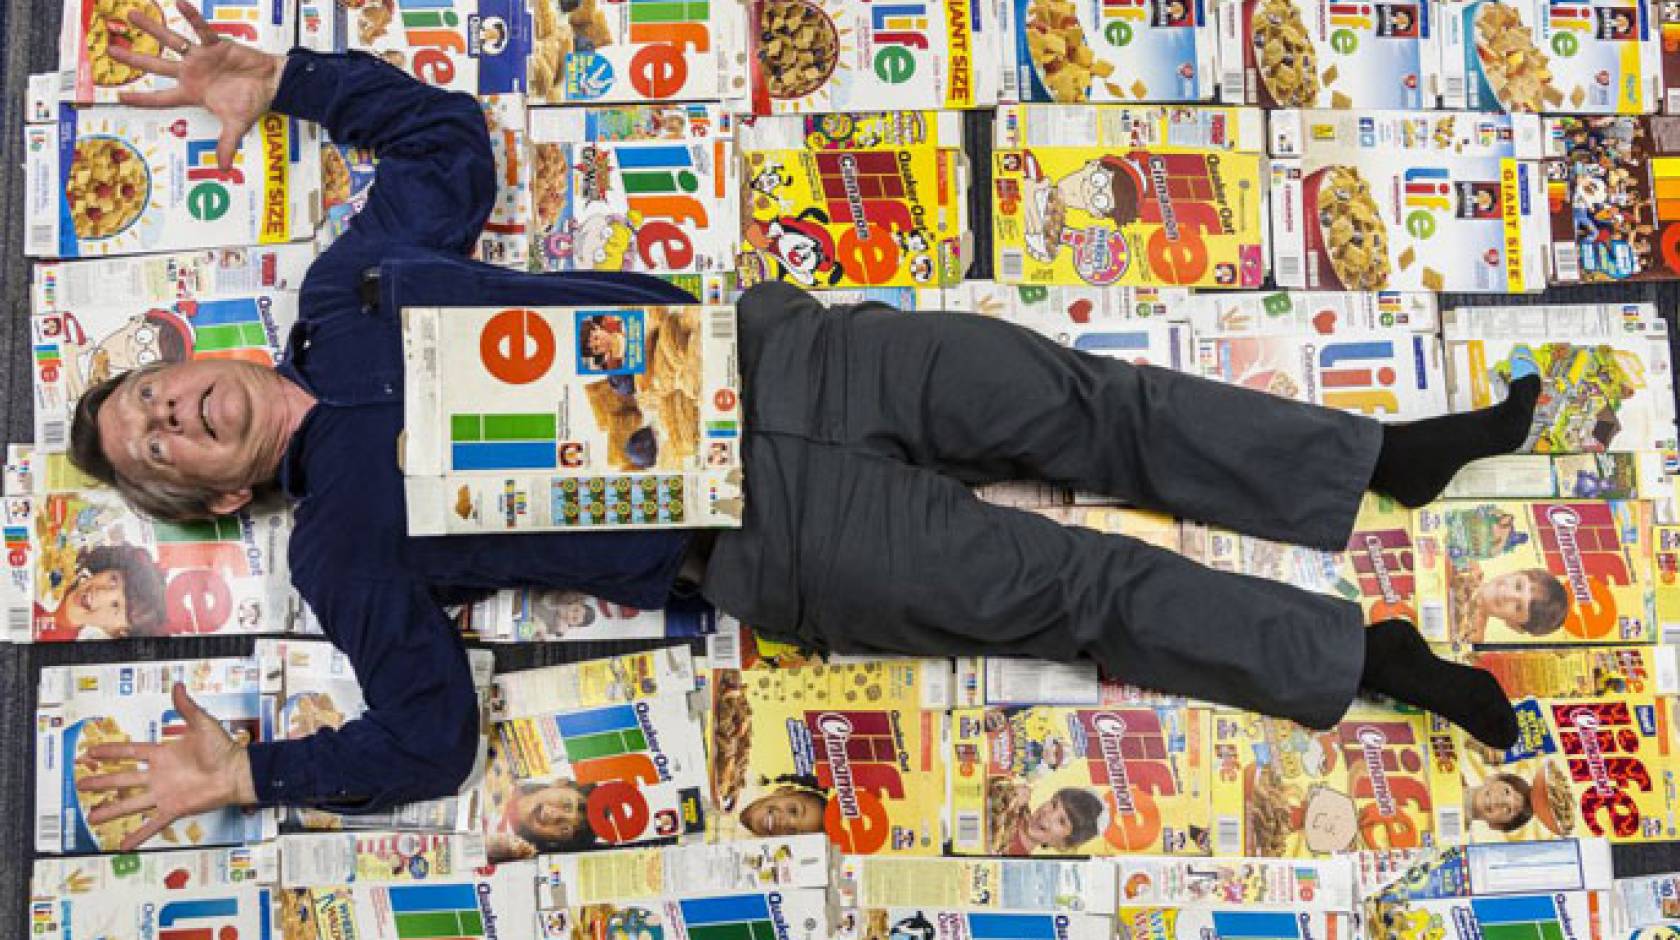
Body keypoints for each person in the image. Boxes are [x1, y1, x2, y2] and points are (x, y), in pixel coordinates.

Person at [74, 1, 1528, 849]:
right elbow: (431, 735)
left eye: (151, 398)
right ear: (210, 496)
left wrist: (291, 85)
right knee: (1081, 592)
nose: (170, 422)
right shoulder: (336, 550)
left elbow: (446, 146)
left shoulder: (352, 287)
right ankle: (1370, 658)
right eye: (159, 453)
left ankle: (1376, 460)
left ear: (193, 356)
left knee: (1094, 405)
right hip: (777, 543)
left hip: (790, 364)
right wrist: (259, 771)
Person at [37, 544, 170, 641]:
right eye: (113, 579)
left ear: (117, 632)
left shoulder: (60, 650)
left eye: (115, 605)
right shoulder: (52, 558)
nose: (100, 593)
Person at [1465, 772, 1535, 833]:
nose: (1500, 801)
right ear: (1494, 777)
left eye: (1509, 810)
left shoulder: (1460, 842)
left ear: (1497, 826)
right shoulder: (1455, 766)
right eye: (1507, 791)